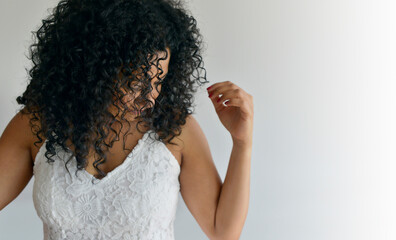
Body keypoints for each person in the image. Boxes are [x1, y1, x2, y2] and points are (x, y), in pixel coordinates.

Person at [0, 0, 254, 239]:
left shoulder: (175, 130)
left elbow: (222, 232)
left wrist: (242, 142)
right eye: (136, 81)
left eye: (158, 81)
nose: (150, 98)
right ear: (94, 69)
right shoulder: (37, 124)